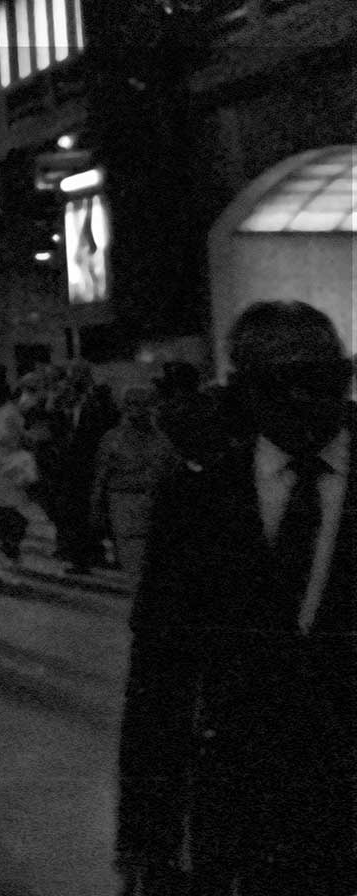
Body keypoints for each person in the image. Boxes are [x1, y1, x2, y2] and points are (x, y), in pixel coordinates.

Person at [116, 300, 353, 896]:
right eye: (284, 385)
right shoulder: (199, 493)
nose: (308, 402)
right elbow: (161, 675)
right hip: (243, 808)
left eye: (324, 380)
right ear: (244, 391)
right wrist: (148, 836)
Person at [91, 386, 181, 573]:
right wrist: (97, 508)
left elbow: (173, 472)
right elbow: (101, 476)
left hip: (153, 504)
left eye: (142, 405)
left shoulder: (161, 440)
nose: (137, 410)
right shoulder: (113, 439)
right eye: (132, 405)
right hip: (124, 502)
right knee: (133, 558)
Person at [0, 381, 40, 569]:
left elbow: (2, 438)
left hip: (7, 465)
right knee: (3, 507)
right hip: (3, 465)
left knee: (8, 509)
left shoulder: (7, 414)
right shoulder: (5, 412)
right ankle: (9, 547)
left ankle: (11, 546)